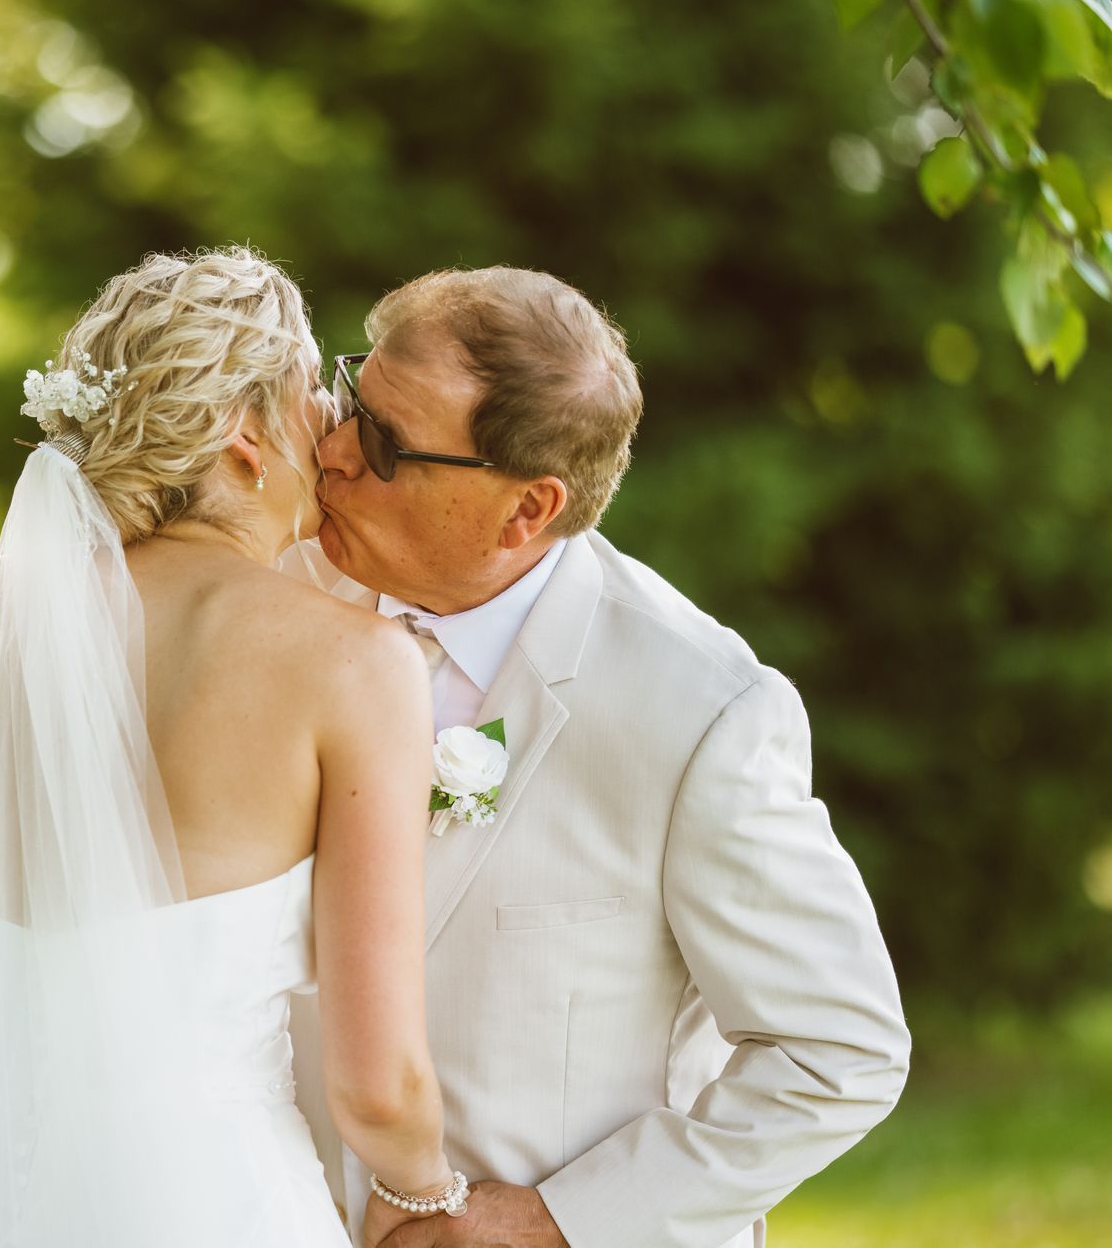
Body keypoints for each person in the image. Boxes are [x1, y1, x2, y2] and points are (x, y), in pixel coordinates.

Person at [0, 248, 472, 1247]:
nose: (335, 432)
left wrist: (52, 1067)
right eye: (312, 398)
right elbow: (379, 1083)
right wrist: (427, 1197)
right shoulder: (356, 662)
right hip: (219, 1197)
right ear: (246, 434)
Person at [287, 266, 912, 1248]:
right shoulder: (265, 609)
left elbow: (839, 1048)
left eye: (382, 443)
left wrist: (557, 1222)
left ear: (525, 511)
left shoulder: (699, 711)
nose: (329, 449)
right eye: (352, 395)